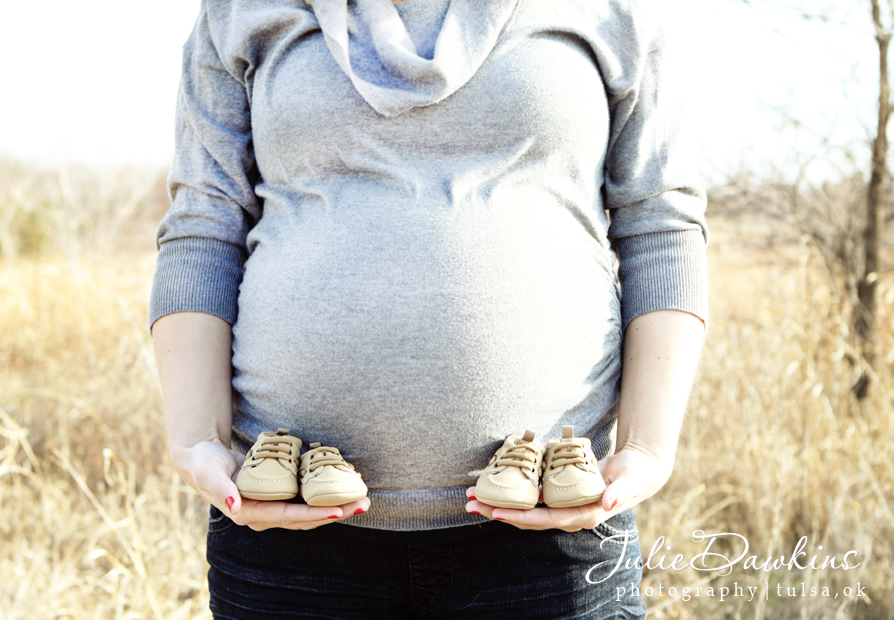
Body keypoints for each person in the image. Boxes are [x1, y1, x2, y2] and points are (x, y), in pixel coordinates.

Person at [150, 0, 708, 617]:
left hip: (551, 519)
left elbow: (660, 220)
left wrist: (647, 448)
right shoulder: (242, 10)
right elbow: (204, 222)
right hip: (286, 524)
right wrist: (197, 439)